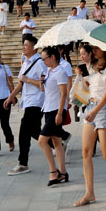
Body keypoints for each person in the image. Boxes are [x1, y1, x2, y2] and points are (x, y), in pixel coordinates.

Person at [74, 45, 106, 207]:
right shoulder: (92, 65)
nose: (93, 50)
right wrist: (80, 77)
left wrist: (95, 111)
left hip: (103, 109)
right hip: (90, 106)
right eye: (93, 48)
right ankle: (89, 193)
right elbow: (91, 88)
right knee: (86, 152)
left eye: (96, 48)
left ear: (105, 49)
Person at [6, 35, 47, 176]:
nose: (23, 47)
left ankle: (23, 163)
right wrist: (11, 96)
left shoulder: (40, 63)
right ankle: (58, 142)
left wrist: (29, 80)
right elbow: (20, 82)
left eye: (26, 45)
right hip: (28, 101)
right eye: (23, 45)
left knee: (24, 131)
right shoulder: (25, 62)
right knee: (34, 131)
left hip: (37, 101)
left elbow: (45, 85)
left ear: (34, 47)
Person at [37, 46, 70, 186]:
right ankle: (63, 172)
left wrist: (60, 113)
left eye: (44, 59)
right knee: (56, 141)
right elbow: (45, 90)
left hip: (56, 110)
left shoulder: (60, 72)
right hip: (48, 108)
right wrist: (41, 82)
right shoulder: (49, 71)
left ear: (53, 57)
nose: (43, 61)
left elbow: (63, 94)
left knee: (42, 141)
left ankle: (53, 171)